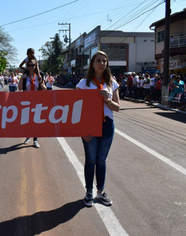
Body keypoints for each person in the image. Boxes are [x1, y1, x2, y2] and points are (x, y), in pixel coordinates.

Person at [76, 50, 120, 207]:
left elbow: (117, 107)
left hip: (107, 124)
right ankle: (89, 192)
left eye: (105, 61)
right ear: (92, 64)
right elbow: (77, 109)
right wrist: (83, 129)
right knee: (91, 159)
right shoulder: (83, 84)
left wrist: (107, 99)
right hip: (89, 124)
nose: (102, 63)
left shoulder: (112, 82)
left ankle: (100, 192)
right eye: (99, 60)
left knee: (101, 160)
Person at [18, 58, 46, 148]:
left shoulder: (40, 75)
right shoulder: (25, 75)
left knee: (36, 121)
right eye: (29, 65)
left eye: (33, 65)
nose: (31, 67)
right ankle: (27, 136)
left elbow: (45, 89)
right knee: (28, 121)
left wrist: (41, 81)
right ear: (27, 66)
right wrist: (22, 79)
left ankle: (35, 140)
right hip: (26, 102)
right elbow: (19, 88)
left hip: (37, 101)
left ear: (36, 66)